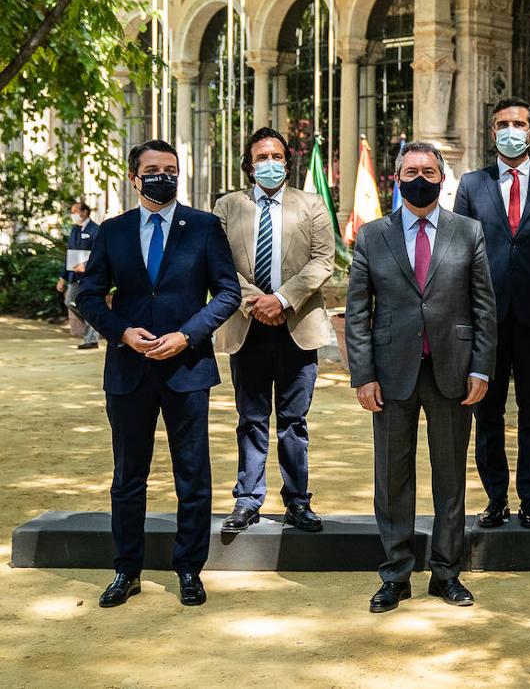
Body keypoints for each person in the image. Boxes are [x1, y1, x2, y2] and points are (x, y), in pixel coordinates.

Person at [76, 140, 241, 608]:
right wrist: (121, 332)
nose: (162, 176)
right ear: (134, 178)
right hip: (128, 369)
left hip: (187, 369)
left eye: (170, 169)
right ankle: (126, 570)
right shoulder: (113, 231)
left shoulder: (204, 227)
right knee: (128, 476)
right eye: (152, 169)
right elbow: (88, 295)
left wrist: (187, 335)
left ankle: (189, 569)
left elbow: (228, 293)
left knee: (193, 476)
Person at [346, 141, 497, 613]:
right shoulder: (373, 235)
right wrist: (363, 375)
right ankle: (395, 575)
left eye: (428, 172)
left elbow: (484, 307)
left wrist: (481, 366)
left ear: (442, 179)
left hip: (453, 371)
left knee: (450, 478)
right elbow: (357, 312)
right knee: (392, 478)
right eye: (410, 171)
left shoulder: (468, 231)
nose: (420, 179)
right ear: (397, 178)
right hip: (391, 375)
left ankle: (446, 573)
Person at [454, 97, 530, 529]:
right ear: (493, 132)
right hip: (485, 319)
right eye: (502, 123)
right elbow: (457, 252)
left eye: (519, 123)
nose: (511, 130)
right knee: (487, 412)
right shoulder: (472, 184)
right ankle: (495, 498)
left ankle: (529, 497)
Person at [212, 128, 336, 534]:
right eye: (262, 157)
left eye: (277, 156)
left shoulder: (312, 204)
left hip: (297, 325)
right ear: (249, 165)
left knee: (293, 420)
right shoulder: (228, 206)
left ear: (287, 161)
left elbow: (323, 261)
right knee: (250, 418)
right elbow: (218, 264)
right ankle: (247, 500)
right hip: (247, 325)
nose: (270, 163)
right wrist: (258, 303)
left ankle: (297, 501)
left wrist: (281, 300)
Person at [59, 201, 101, 349]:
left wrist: (86, 265)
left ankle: (92, 339)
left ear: (84, 212)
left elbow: (99, 253)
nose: (73, 215)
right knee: (69, 301)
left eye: (75, 211)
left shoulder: (96, 229)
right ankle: (96, 323)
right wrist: (62, 277)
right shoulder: (75, 229)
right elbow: (69, 253)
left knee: (88, 304)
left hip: (89, 276)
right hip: (73, 276)